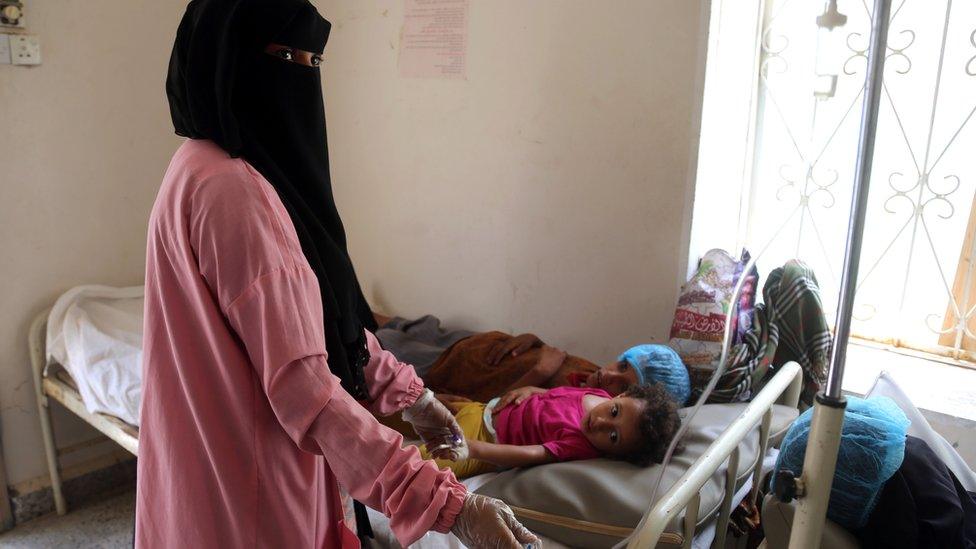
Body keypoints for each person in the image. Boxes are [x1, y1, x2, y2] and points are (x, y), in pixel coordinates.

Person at [137, 1, 539, 547]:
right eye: (282, 54)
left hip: (202, 477)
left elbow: (315, 322)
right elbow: (306, 388)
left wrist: (411, 395)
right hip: (254, 492)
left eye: (313, 60)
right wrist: (447, 505)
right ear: (224, 58)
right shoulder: (236, 190)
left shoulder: (193, 165)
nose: (300, 74)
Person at [419, 383, 682, 478]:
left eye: (613, 437)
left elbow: (532, 454)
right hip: (484, 408)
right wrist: (533, 389)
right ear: (621, 395)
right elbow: (558, 396)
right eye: (614, 412)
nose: (601, 423)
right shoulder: (598, 394)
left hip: (482, 437)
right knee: (412, 406)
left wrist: (472, 449)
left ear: (616, 454)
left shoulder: (581, 445)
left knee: (417, 463)